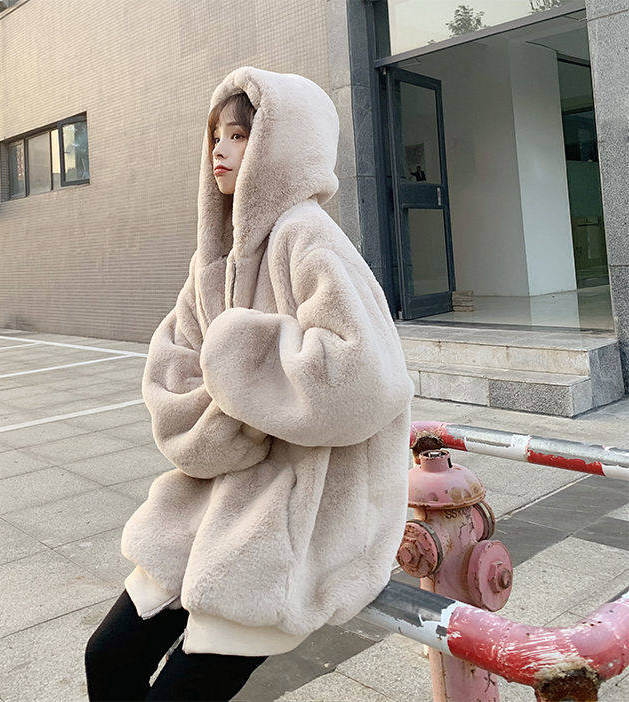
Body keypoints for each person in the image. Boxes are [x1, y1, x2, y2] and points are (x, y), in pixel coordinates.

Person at [84, 65, 415, 702]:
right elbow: (174, 372)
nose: (220, 149)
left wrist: (243, 362)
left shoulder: (308, 237)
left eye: (239, 136)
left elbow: (366, 378)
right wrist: (234, 416)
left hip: (295, 514)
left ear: (279, 146)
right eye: (216, 135)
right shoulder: (215, 261)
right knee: (107, 657)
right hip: (210, 500)